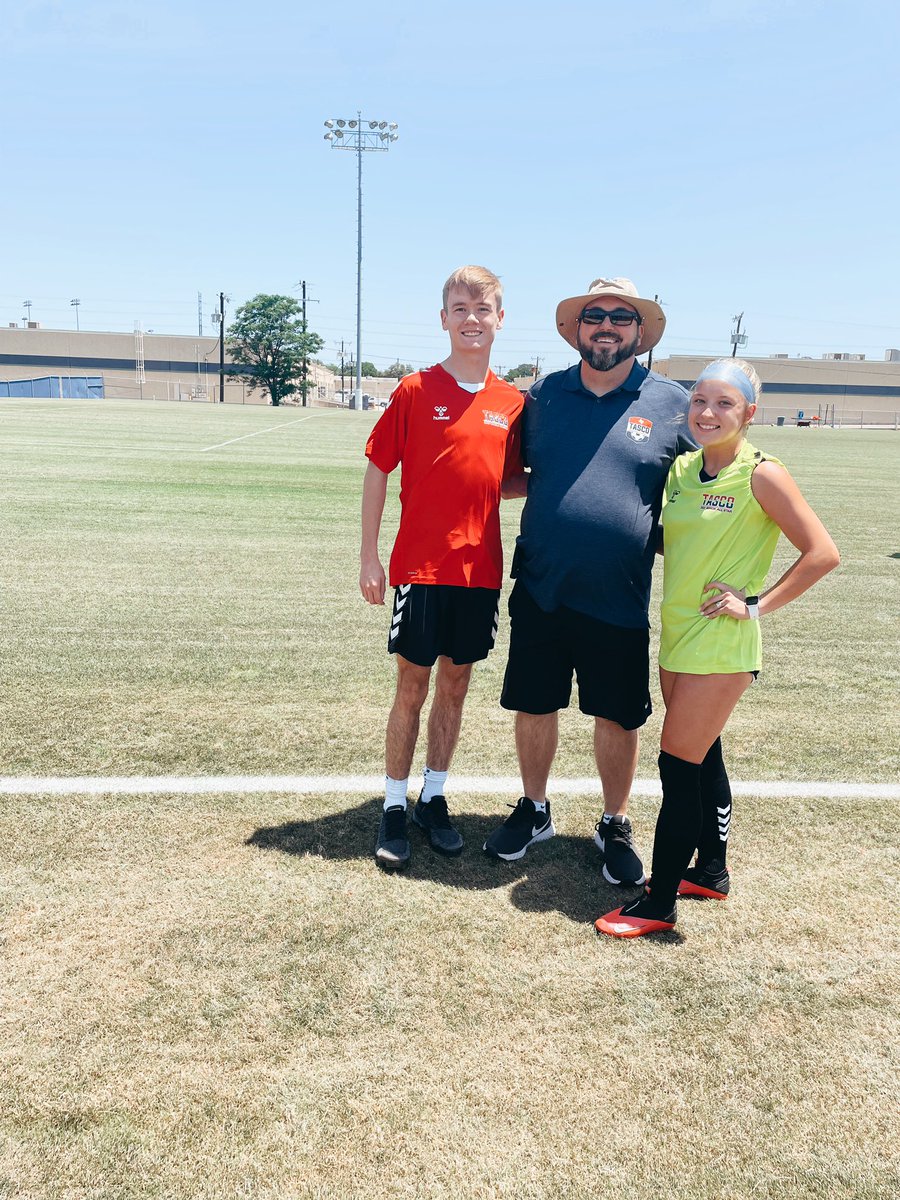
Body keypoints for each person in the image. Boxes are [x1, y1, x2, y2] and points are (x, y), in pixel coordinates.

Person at [596, 358, 840, 938]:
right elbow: (678, 540)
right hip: (677, 634)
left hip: (723, 645)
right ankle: (711, 870)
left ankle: (658, 903)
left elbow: (822, 553)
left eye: (724, 403)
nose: (707, 413)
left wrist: (754, 604)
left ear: (749, 412)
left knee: (677, 766)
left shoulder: (763, 474)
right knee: (703, 756)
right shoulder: (683, 469)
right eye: (700, 400)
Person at [483, 278, 693, 886]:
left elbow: (702, 485)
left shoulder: (672, 404)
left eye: (621, 317)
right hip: (542, 582)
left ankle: (614, 821)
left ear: (639, 331)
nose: (606, 326)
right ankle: (534, 808)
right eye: (594, 315)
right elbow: (510, 471)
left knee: (618, 715)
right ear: (577, 328)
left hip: (619, 592)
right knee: (534, 702)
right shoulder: (543, 395)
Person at [360, 265, 524, 871]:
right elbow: (379, 467)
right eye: (460, 308)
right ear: (444, 318)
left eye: (482, 309)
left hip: (479, 573)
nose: (471, 319)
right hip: (421, 570)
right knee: (412, 687)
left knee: (456, 686)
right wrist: (370, 555)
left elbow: (507, 478)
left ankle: (433, 796)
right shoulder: (413, 389)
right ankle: (393, 805)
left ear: (500, 319)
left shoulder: (512, 403)